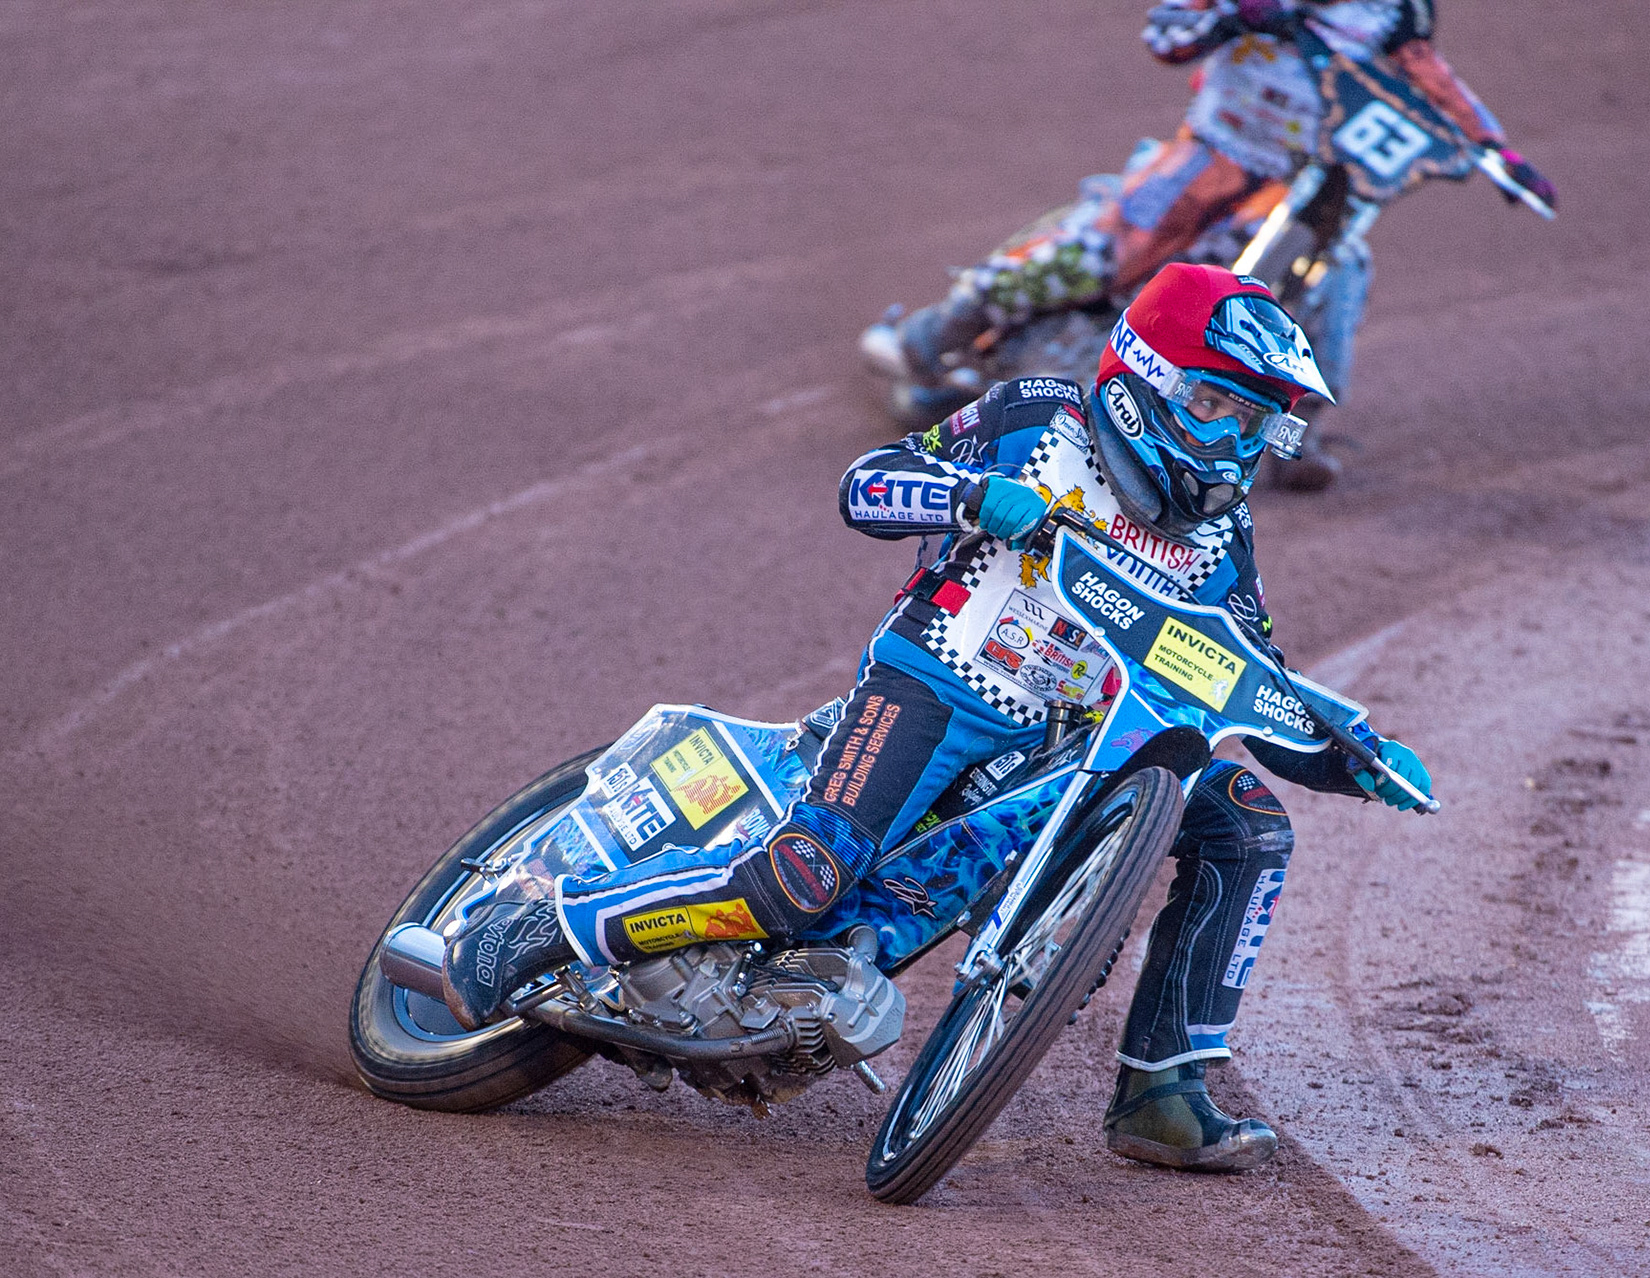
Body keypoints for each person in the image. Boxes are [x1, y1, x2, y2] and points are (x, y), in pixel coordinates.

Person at [443, 264, 1433, 1172]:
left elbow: (1254, 672)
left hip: (1076, 742)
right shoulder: (1043, 419)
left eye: (1255, 422)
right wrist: (968, 493)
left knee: (1248, 820)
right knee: (801, 881)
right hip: (936, 684)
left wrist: (1350, 750)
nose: (1232, 441)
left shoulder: (1224, 535)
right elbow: (867, 485)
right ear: (1144, 380)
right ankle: (541, 933)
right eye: (1215, 404)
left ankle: (1162, 1092)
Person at [861, 0, 1556, 490]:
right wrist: (1229, 15)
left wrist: (1500, 152)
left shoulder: (1393, 9)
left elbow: (1432, 76)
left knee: (1336, 271)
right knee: (1100, 253)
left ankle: (1296, 432)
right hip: (1210, 157)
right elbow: (1165, 36)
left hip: (1303, 181)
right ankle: (932, 344)